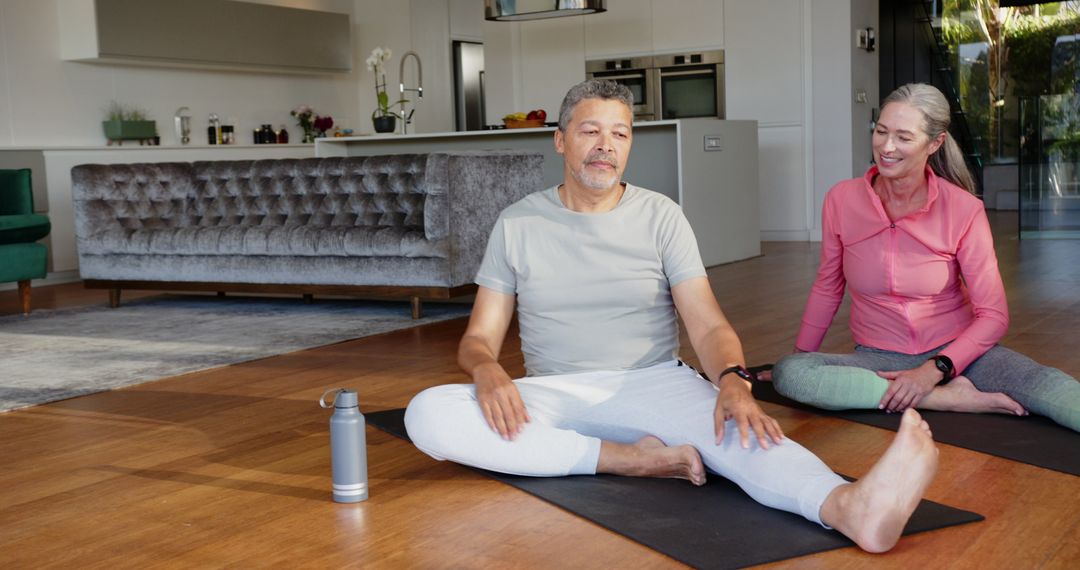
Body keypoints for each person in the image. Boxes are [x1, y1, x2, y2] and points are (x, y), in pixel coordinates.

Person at [404, 79, 939, 553]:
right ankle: (627, 459)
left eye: (620, 134)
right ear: (561, 140)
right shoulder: (517, 222)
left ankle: (848, 507)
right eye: (590, 132)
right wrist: (486, 370)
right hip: (554, 392)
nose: (605, 147)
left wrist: (731, 381)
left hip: (655, 381)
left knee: (745, 430)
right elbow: (479, 337)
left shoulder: (661, 215)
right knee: (427, 414)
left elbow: (705, 322)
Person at [768, 83, 1080, 433]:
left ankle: (924, 390)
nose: (886, 147)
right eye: (881, 131)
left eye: (903, 137)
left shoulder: (964, 209)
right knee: (790, 374)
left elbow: (993, 316)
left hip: (958, 355)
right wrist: (801, 355)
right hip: (879, 356)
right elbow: (828, 287)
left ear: (935, 143)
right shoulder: (841, 200)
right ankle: (944, 399)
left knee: (1049, 386)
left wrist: (934, 370)